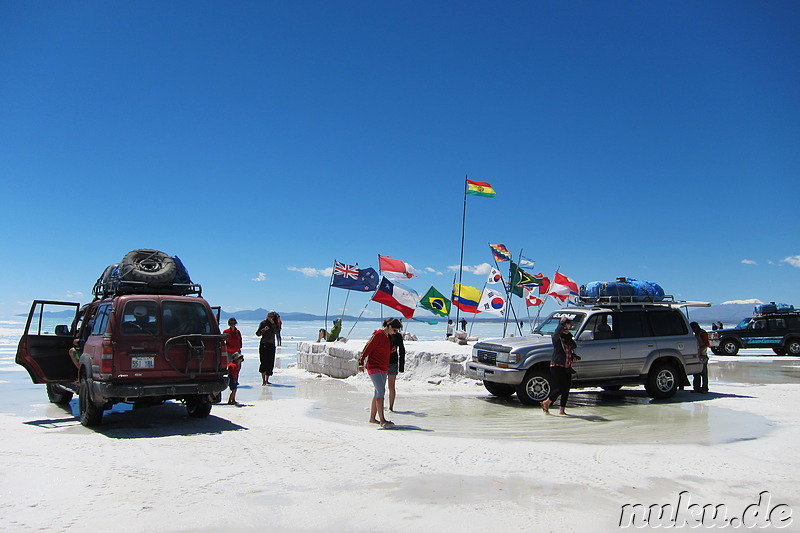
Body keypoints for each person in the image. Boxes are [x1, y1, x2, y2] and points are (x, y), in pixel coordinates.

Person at [357, 318, 401, 428]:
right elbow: (367, 348)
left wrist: (391, 351)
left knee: (377, 392)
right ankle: (382, 420)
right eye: (395, 330)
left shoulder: (388, 337)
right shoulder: (378, 334)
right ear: (389, 327)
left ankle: (372, 418)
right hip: (374, 366)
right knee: (381, 391)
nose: (395, 333)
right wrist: (360, 362)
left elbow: (383, 349)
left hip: (383, 367)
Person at [541, 317, 580, 415]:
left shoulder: (569, 339)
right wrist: (562, 323)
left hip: (567, 367)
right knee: (561, 388)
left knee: (566, 389)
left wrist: (574, 357)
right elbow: (557, 331)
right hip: (557, 366)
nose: (567, 330)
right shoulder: (557, 337)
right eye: (565, 328)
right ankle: (546, 402)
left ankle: (562, 410)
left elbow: (569, 352)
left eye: (569, 328)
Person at [385, 318, 406, 412]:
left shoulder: (397, 336)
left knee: (391, 386)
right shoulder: (383, 335)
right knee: (385, 386)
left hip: (392, 362)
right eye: (395, 330)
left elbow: (402, 350)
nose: (395, 332)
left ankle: (390, 407)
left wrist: (402, 366)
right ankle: (386, 407)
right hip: (384, 362)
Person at [256, 311, 280, 385]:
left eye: (271, 316)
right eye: (269, 316)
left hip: (271, 344)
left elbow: (277, 332)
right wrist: (264, 330)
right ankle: (263, 380)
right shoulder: (263, 323)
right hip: (264, 344)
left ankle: (267, 379)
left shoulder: (275, 324)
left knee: (270, 362)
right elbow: (257, 333)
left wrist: (273, 323)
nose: (269, 318)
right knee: (263, 362)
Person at [690, 321, 710, 393]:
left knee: (703, 373)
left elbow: (707, 344)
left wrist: (700, 349)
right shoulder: (696, 334)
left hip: (703, 355)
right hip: (697, 355)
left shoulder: (703, 333)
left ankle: (705, 388)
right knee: (696, 373)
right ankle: (696, 388)